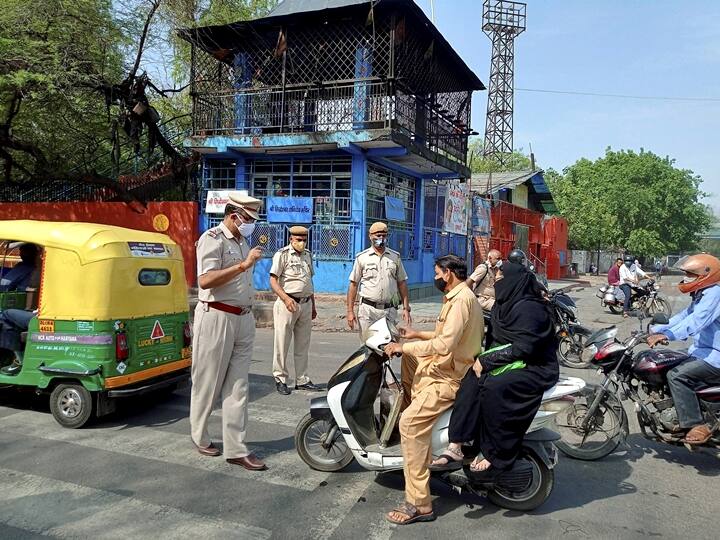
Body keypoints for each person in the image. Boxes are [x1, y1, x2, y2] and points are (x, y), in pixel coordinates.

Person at [430, 261, 559, 477]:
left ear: (515, 281)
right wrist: (480, 359)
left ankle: (492, 451)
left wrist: (488, 362)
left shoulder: (532, 308)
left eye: (500, 280)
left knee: (495, 386)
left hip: (535, 365)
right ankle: (456, 445)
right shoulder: (503, 305)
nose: (497, 284)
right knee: (470, 378)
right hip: (508, 360)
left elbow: (526, 348)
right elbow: (494, 340)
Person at [382, 255, 483, 525]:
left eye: (438, 273)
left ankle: (419, 504)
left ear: (448, 273)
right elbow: (442, 336)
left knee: (410, 423)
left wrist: (403, 346)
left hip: (450, 376)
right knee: (410, 360)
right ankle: (413, 415)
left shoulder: (461, 301)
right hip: (446, 364)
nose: (436, 277)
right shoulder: (456, 295)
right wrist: (415, 336)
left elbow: (444, 346)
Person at [189, 193, 267, 471]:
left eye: (253, 220)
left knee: (238, 386)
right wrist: (243, 265)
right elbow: (205, 280)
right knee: (207, 381)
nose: (251, 224)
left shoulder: (244, 242)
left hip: (242, 319)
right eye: (247, 218)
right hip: (216, 316)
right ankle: (199, 435)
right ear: (233, 215)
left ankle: (236, 448)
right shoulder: (212, 238)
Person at [646, 253, 720, 445]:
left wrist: (667, 335)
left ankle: (696, 424)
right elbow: (684, 315)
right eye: (686, 273)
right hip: (702, 350)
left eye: (691, 274)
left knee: (676, 375)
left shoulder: (715, 293)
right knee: (666, 363)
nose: (686, 278)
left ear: (706, 275)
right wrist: (656, 329)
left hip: (715, 356)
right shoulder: (703, 293)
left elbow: (697, 321)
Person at [269, 225, 321, 395]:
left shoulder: (307, 255)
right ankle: (281, 378)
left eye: (304, 240)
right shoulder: (282, 254)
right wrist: (285, 298)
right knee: (282, 343)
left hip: (305, 303)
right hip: (287, 304)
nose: (302, 243)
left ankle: (302, 379)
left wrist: (312, 305)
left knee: (303, 345)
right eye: (298, 240)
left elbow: (309, 282)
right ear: (291, 239)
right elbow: (273, 281)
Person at [347, 222, 411, 337]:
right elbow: (354, 284)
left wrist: (406, 308)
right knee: (367, 347)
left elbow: (402, 283)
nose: (381, 238)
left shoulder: (394, 257)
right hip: (368, 311)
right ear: (370, 236)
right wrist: (350, 311)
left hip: (389, 311)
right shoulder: (362, 258)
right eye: (378, 235)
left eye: (384, 235)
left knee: (388, 348)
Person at [0, 309, 37, 375]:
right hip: (44, 316)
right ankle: (19, 361)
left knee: (4, 318)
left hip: (41, 318)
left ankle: (20, 362)